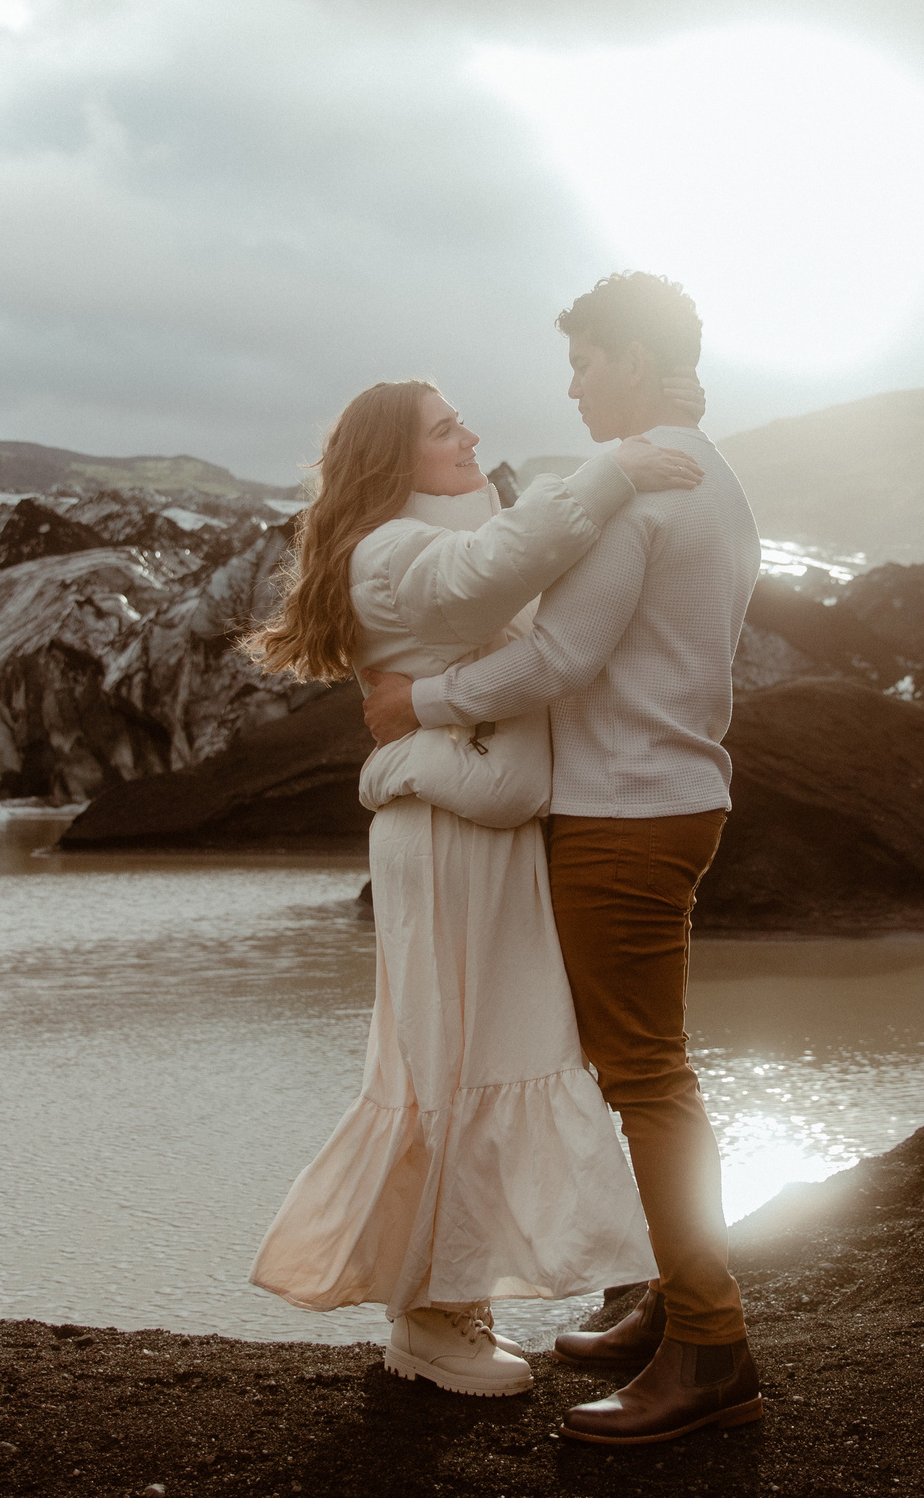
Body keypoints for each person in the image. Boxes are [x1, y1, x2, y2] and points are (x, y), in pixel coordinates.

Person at [362, 271, 765, 1447]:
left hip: (624, 819)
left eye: (586, 362)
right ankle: (655, 1299)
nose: (574, 385)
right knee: (630, 1068)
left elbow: (555, 661)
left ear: (634, 358)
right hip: (666, 801)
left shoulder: (650, 494)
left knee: (644, 1076)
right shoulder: (715, 477)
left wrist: (415, 705)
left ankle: (708, 1343)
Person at [242, 376, 706, 1398]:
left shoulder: (420, 541)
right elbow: (492, 572)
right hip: (446, 840)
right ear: (391, 458)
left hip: (469, 832)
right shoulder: (391, 553)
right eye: (444, 429)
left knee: (485, 1052)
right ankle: (430, 1317)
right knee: (453, 1060)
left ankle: (450, 1302)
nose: (469, 437)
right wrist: (612, 469)